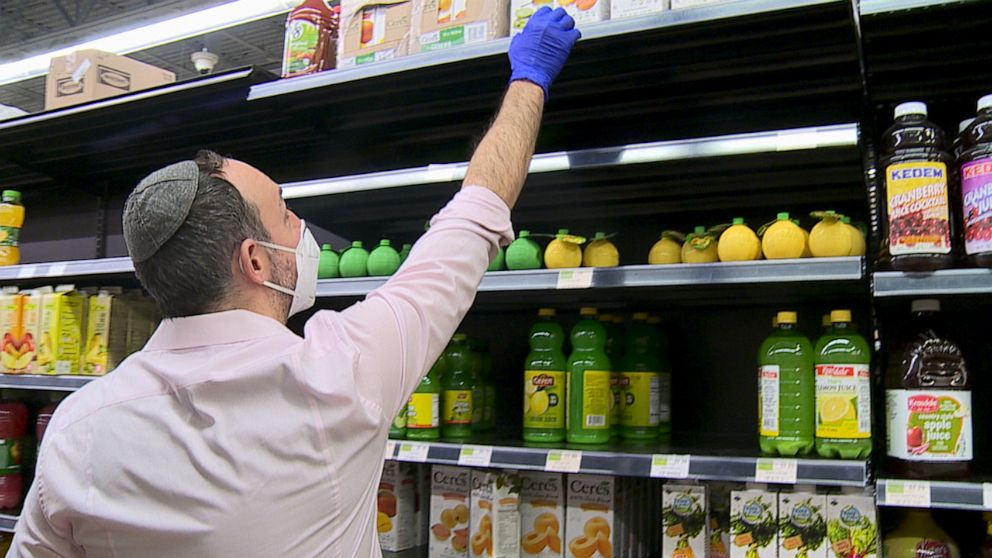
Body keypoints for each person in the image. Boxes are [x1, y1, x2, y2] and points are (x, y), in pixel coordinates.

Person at [8, 7, 579, 558]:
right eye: (284, 211)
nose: (301, 226)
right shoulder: (339, 373)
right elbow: (474, 214)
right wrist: (529, 79)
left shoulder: (79, 426)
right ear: (255, 261)